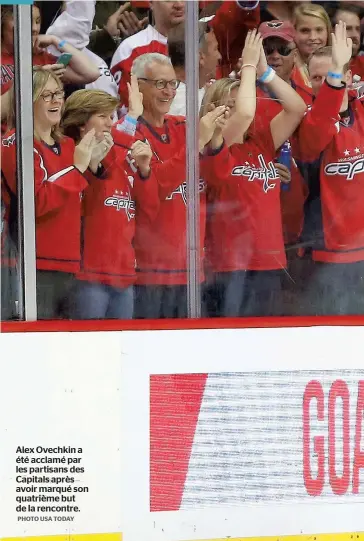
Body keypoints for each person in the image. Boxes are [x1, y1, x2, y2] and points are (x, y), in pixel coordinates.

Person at [200, 29, 307, 317]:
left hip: (269, 259)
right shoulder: (216, 144)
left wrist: (264, 72)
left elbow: (297, 108)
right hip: (230, 264)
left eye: (242, 101)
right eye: (229, 105)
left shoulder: (260, 141)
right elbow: (245, 113)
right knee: (230, 347)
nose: (239, 110)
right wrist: (248, 67)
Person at [113, 52, 206, 318]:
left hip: (190, 268)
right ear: (138, 86)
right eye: (160, 84)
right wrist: (196, 146)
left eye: (172, 84)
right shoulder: (127, 132)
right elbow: (153, 193)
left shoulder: (183, 127)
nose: (168, 92)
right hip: (149, 270)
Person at [1, 67, 97, 319]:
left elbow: (78, 204)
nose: (56, 101)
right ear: (27, 99)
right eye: (47, 95)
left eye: (59, 93)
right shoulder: (15, 143)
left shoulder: (67, 145)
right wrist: (77, 169)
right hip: (32, 266)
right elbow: (37, 203)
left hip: (70, 265)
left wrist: (94, 167)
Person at [61, 87, 158, 319]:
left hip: (123, 275)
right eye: (103, 116)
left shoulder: (119, 157)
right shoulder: (70, 157)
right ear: (82, 123)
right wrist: (89, 169)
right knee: (88, 347)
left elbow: (149, 208)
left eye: (112, 116)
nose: (109, 123)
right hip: (89, 276)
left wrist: (144, 171)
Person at [297, 21, 364, 315]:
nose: (325, 84)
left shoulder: (361, 110)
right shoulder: (309, 121)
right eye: (318, 78)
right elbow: (318, 131)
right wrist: (335, 75)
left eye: (334, 75)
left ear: (351, 77)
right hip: (329, 251)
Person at [111, 1, 185, 110]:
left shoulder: (210, 39)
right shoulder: (131, 49)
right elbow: (122, 112)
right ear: (151, 2)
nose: (179, 4)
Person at [168, 20, 222, 116]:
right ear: (200, 57)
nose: (219, 56)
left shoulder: (196, 91)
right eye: (215, 49)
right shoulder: (185, 104)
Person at [293, 3, 332, 87]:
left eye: (319, 30)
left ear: (327, 32)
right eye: (305, 31)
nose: (313, 37)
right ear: (293, 33)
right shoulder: (286, 70)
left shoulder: (339, 65)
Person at [332, 4, 364, 80]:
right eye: (348, 28)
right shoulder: (318, 66)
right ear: (332, 31)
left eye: (358, 29)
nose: (355, 35)